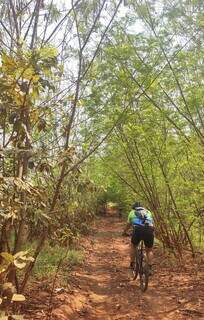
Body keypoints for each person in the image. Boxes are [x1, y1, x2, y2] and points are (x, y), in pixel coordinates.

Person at [122, 201, 154, 273]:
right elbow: (151, 223)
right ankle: (150, 268)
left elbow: (128, 225)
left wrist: (124, 232)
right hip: (149, 230)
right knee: (149, 250)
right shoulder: (148, 212)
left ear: (134, 208)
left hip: (138, 230)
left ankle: (132, 264)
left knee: (133, 246)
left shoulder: (132, 212)